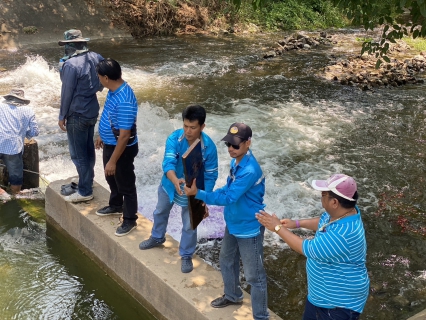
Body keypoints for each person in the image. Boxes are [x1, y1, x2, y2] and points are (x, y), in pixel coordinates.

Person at [256, 174, 370, 320]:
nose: (320, 198)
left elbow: (305, 248)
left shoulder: (343, 234)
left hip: (338, 305)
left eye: (323, 195)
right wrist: (296, 223)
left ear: (334, 202)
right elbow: (323, 222)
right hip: (321, 297)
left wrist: (277, 228)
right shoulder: (346, 212)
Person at [185, 123, 269, 320]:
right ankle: (233, 295)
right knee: (226, 260)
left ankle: (261, 316)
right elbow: (226, 190)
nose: (231, 148)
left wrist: (200, 194)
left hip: (249, 229)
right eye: (228, 144)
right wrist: (206, 196)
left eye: (235, 145)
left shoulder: (249, 170)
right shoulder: (237, 162)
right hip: (233, 223)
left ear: (248, 143)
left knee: (255, 277)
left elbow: (229, 198)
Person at [139, 105, 218, 274]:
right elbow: (167, 163)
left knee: (190, 224)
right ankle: (157, 237)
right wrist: (175, 180)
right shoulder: (174, 139)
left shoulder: (209, 147)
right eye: (185, 126)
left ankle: (187, 254)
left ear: (202, 127)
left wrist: (204, 197)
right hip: (170, 185)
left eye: (193, 128)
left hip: (194, 191)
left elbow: (211, 175)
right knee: (160, 211)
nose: (188, 131)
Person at [58, 29, 104, 203]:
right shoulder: (96, 57)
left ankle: (85, 191)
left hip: (76, 114)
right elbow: (101, 83)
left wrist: (62, 115)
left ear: (70, 45)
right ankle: (87, 182)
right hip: (92, 110)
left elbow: (67, 92)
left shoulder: (70, 65)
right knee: (88, 150)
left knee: (78, 155)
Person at [94, 58, 139, 237]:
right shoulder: (113, 91)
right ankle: (115, 204)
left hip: (123, 148)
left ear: (106, 77)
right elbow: (109, 115)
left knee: (126, 183)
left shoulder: (125, 99)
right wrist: (101, 135)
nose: (98, 79)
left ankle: (129, 219)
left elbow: (125, 135)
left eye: (98, 76)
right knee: (111, 177)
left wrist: (113, 160)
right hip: (111, 143)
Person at [0, 89, 39, 194]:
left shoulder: (1, 107)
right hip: (13, 147)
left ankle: (2, 192)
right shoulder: (28, 110)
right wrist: (24, 134)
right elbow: (35, 131)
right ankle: (14, 195)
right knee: (16, 177)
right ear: (22, 100)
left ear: (8, 98)